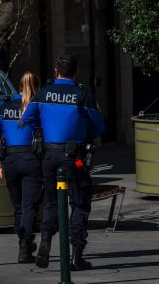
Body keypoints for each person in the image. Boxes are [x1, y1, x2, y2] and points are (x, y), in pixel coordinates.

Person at [22, 53, 105, 271]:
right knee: (79, 203)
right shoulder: (83, 94)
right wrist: (84, 135)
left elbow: (28, 118)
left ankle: (46, 243)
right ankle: (76, 256)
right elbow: (99, 126)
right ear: (76, 71)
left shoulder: (44, 92)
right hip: (74, 157)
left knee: (51, 202)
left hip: (49, 155)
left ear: (56, 71)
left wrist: (40, 135)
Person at [0, 72, 44, 263]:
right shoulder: (38, 108)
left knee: (18, 206)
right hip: (32, 160)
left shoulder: (3, 109)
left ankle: (22, 243)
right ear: (36, 88)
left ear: (18, 87)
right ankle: (26, 246)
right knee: (29, 206)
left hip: (10, 161)